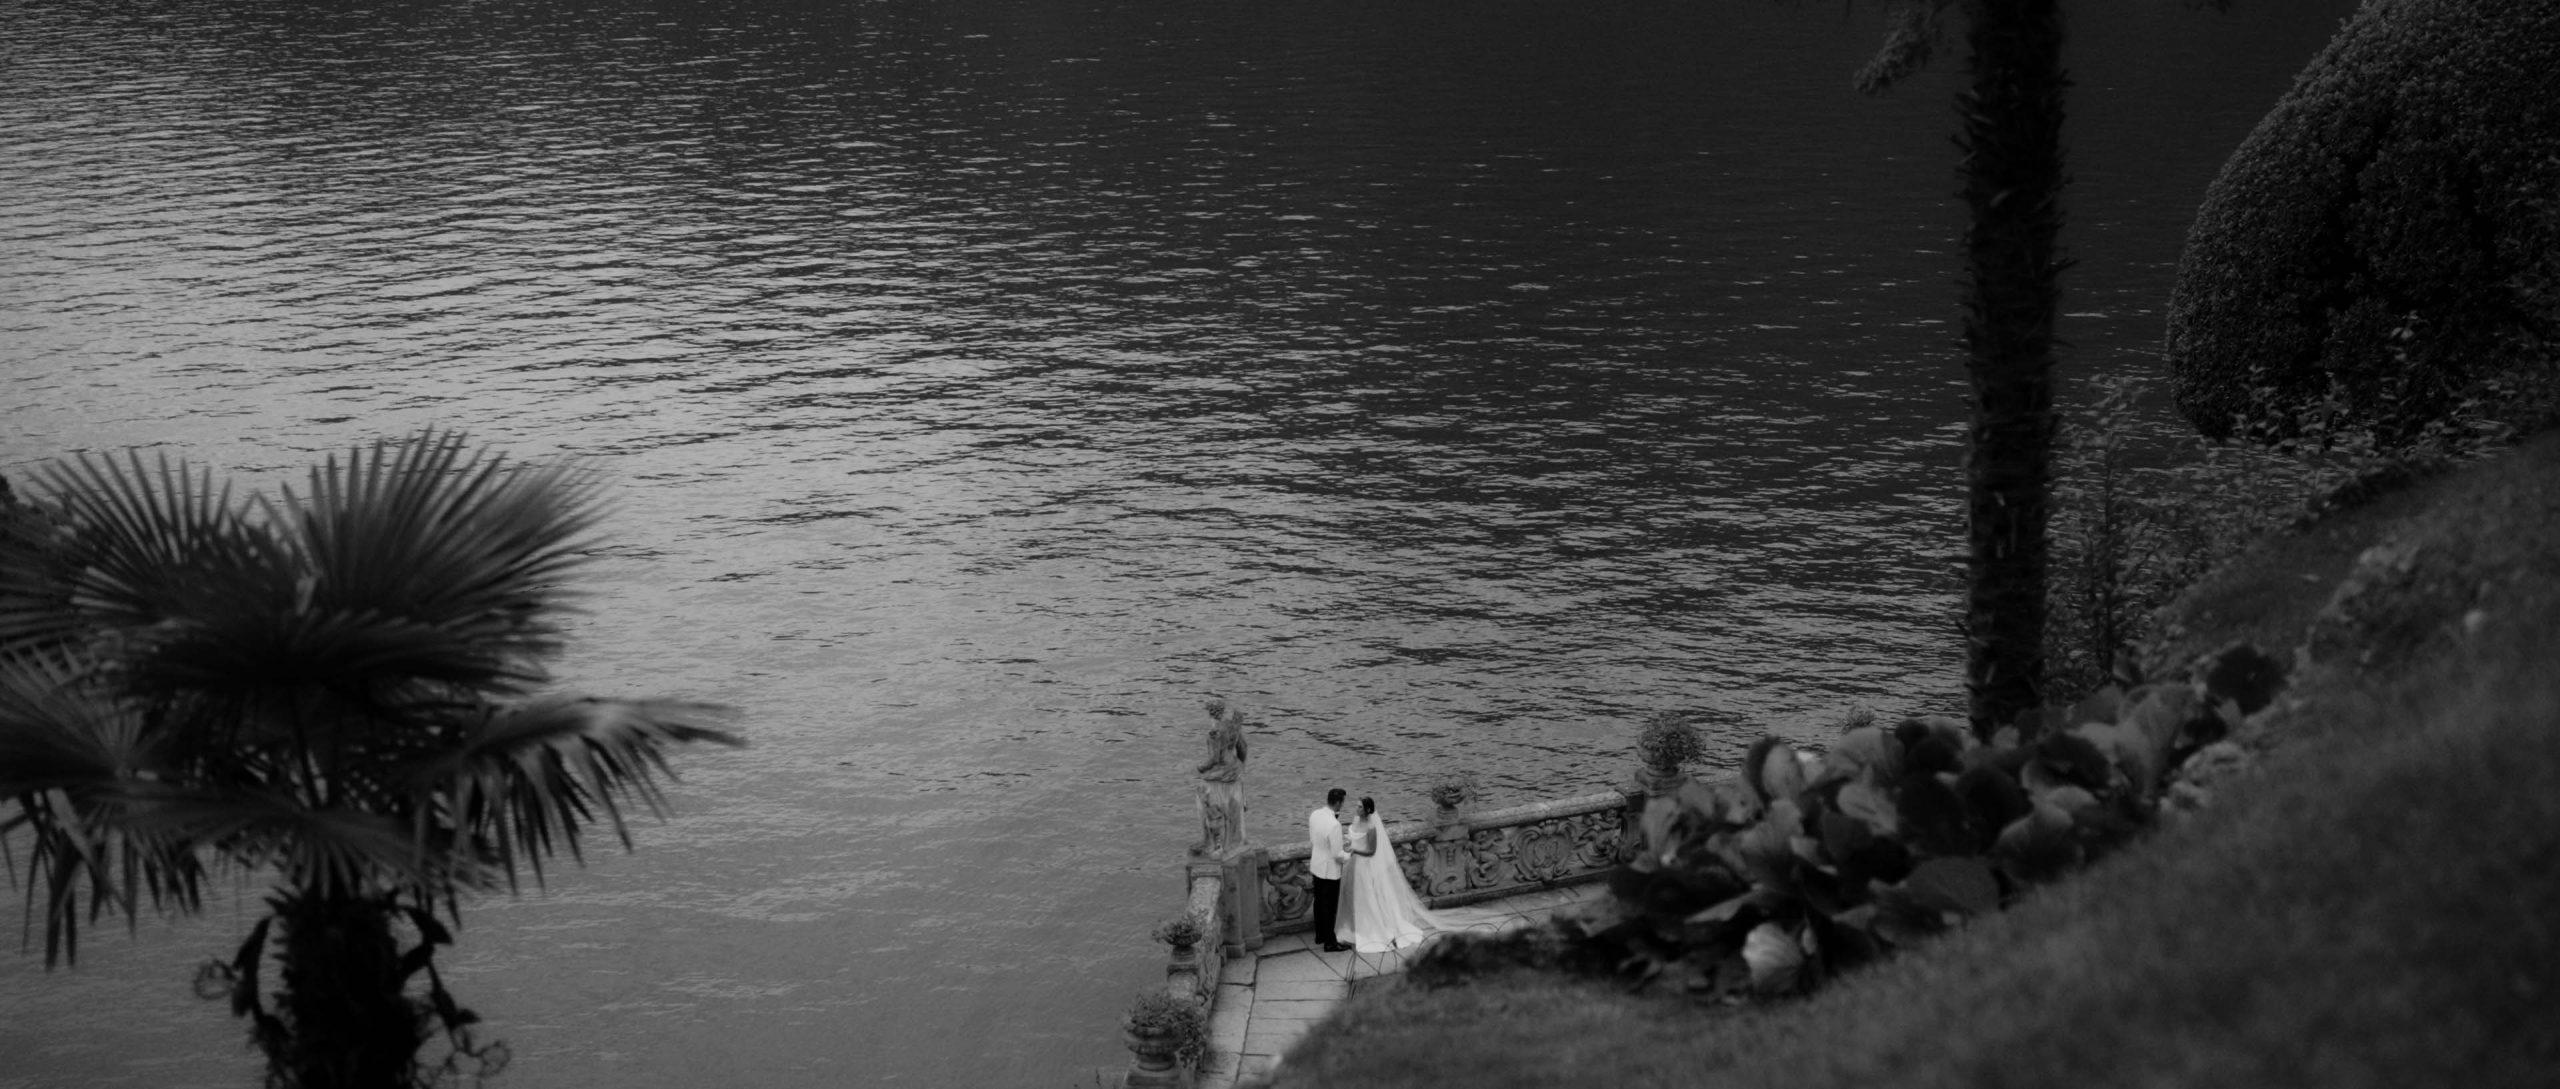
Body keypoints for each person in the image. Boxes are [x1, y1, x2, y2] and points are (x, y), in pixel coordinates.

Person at [1335, 796, 1446, 953]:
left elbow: (1371, 851)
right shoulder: (1355, 820)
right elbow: (1353, 837)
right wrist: (1347, 842)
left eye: (1360, 807)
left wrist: (1354, 850)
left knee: (1366, 898)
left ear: (1367, 810)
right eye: (1357, 806)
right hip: (1352, 865)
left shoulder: (1372, 827)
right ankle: (1353, 929)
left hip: (1364, 866)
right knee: (1352, 897)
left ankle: (1372, 929)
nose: (1356, 809)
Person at [1191, 699, 1248, 856]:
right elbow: (1243, 747)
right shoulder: (1231, 725)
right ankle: (1232, 841)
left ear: (1210, 713)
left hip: (1222, 771)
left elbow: (1214, 760)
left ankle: (1216, 844)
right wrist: (1240, 765)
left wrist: (1200, 767)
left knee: (1203, 789)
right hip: (1234, 769)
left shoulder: (1214, 733)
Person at [1305, 788, 1351, 952]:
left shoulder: (1315, 815)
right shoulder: (1334, 825)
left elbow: (1312, 838)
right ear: (1339, 802)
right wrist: (1350, 855)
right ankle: (1330, 942)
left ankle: (1320, 935)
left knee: (1319, 903)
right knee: (1330, 907)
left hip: (1316, 864)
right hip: (1330, 871)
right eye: (1343, 802)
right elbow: (1337, 854)